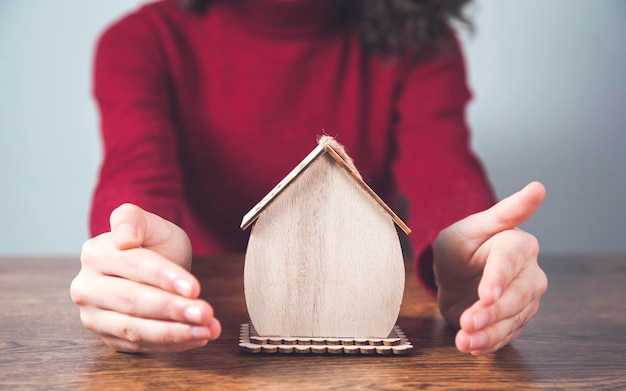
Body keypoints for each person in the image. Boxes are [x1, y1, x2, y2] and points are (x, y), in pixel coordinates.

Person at [70, 0, 547, 356]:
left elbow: (442, 169)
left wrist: (468, 256)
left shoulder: (421, 41)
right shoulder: (141, 41)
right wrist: (134, 258)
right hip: (204, 302)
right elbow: (137, 171)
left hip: (360, 304)